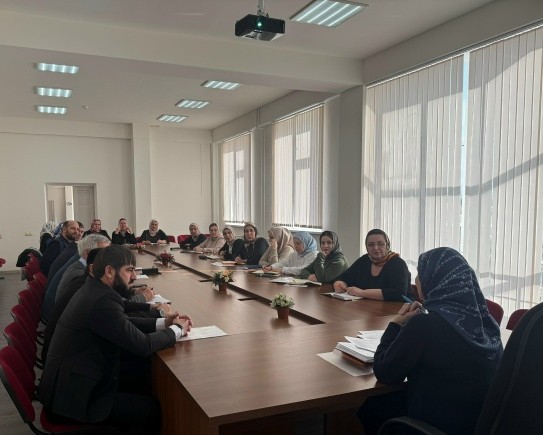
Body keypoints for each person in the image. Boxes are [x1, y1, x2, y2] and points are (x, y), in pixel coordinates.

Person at [38, 245, 192, 434]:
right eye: (129, 270)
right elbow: (144, 345)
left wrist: (164, 322)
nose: (134, 276)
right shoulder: (101, 300)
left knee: (140, 372)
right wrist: (178, 329)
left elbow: (123, 322)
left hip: (74, 381)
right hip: (71, 399)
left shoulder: (96, 289)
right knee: (148, 409)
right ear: (109, 271)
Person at [359, 247, 503, 435]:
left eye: (420, 274)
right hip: (477, 423)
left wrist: (396, 323)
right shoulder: (488, 324)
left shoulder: (424, 325)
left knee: (370, 407)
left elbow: (384, 371)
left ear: (434, 280)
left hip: (436, 424)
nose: (416, 280)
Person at [333, 229, 410, 301]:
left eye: (380, 244)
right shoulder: (364, 260)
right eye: (371, 245)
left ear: (387, 246)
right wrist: (339, 284)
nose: (376, 248)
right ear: (366, 247)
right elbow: (343, 278)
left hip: (397, 308)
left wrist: (361, 293)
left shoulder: (398, 263)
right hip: (367, 307)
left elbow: (399, 293)